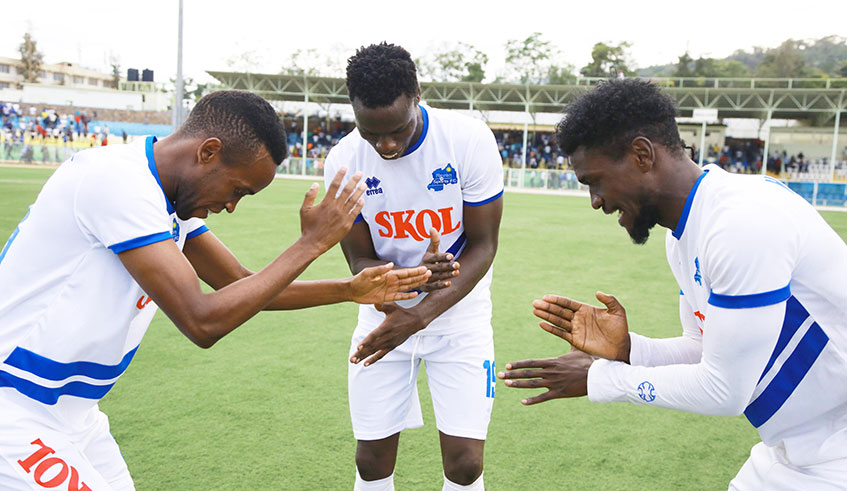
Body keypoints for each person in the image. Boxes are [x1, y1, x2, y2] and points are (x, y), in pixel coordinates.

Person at [0, 90, 432, 490]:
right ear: (208, 152)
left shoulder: (164, 196)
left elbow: (242, 285)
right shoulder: (117, 182)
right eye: (237, 190)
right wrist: (312, 243)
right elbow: (202, 320)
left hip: (74, 412)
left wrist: (349, 289)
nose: (230, 206)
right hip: (16, 406)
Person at [498, 79, 847, 489]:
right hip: (796, 447)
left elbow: (724, 391)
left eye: (595, 181)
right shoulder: (683, 234)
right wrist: (630, 350)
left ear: (642, 155)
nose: (596, 201)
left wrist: (601, 378)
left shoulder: (741, 222)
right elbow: (706, 350)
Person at [324, 43, 503, 491]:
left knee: (465, 465)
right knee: (371, 462)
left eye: (398, 130)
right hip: (383, 319)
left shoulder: (467, 139)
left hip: (459, 318)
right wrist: (400, 283)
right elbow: (358, 258)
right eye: (371, 132)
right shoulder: (343, 161)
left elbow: (482, 246)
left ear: (418, 94)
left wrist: (421, 312)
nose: (385, 145)